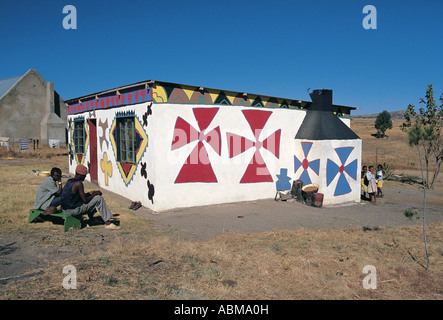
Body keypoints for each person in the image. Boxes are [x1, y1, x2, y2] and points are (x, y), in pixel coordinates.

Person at [61, 164, 120, 230]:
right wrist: (95, 193)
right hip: (73, 210)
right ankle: (108, 223)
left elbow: (75, 197)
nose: (85, 177)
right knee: (99, 199)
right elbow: (85, 201)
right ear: (80, 175)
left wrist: (89, 194)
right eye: (84, 175)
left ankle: (92, 220)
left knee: (92, 201)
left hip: (65, 209)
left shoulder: (69, 181)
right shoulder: (78, 183)